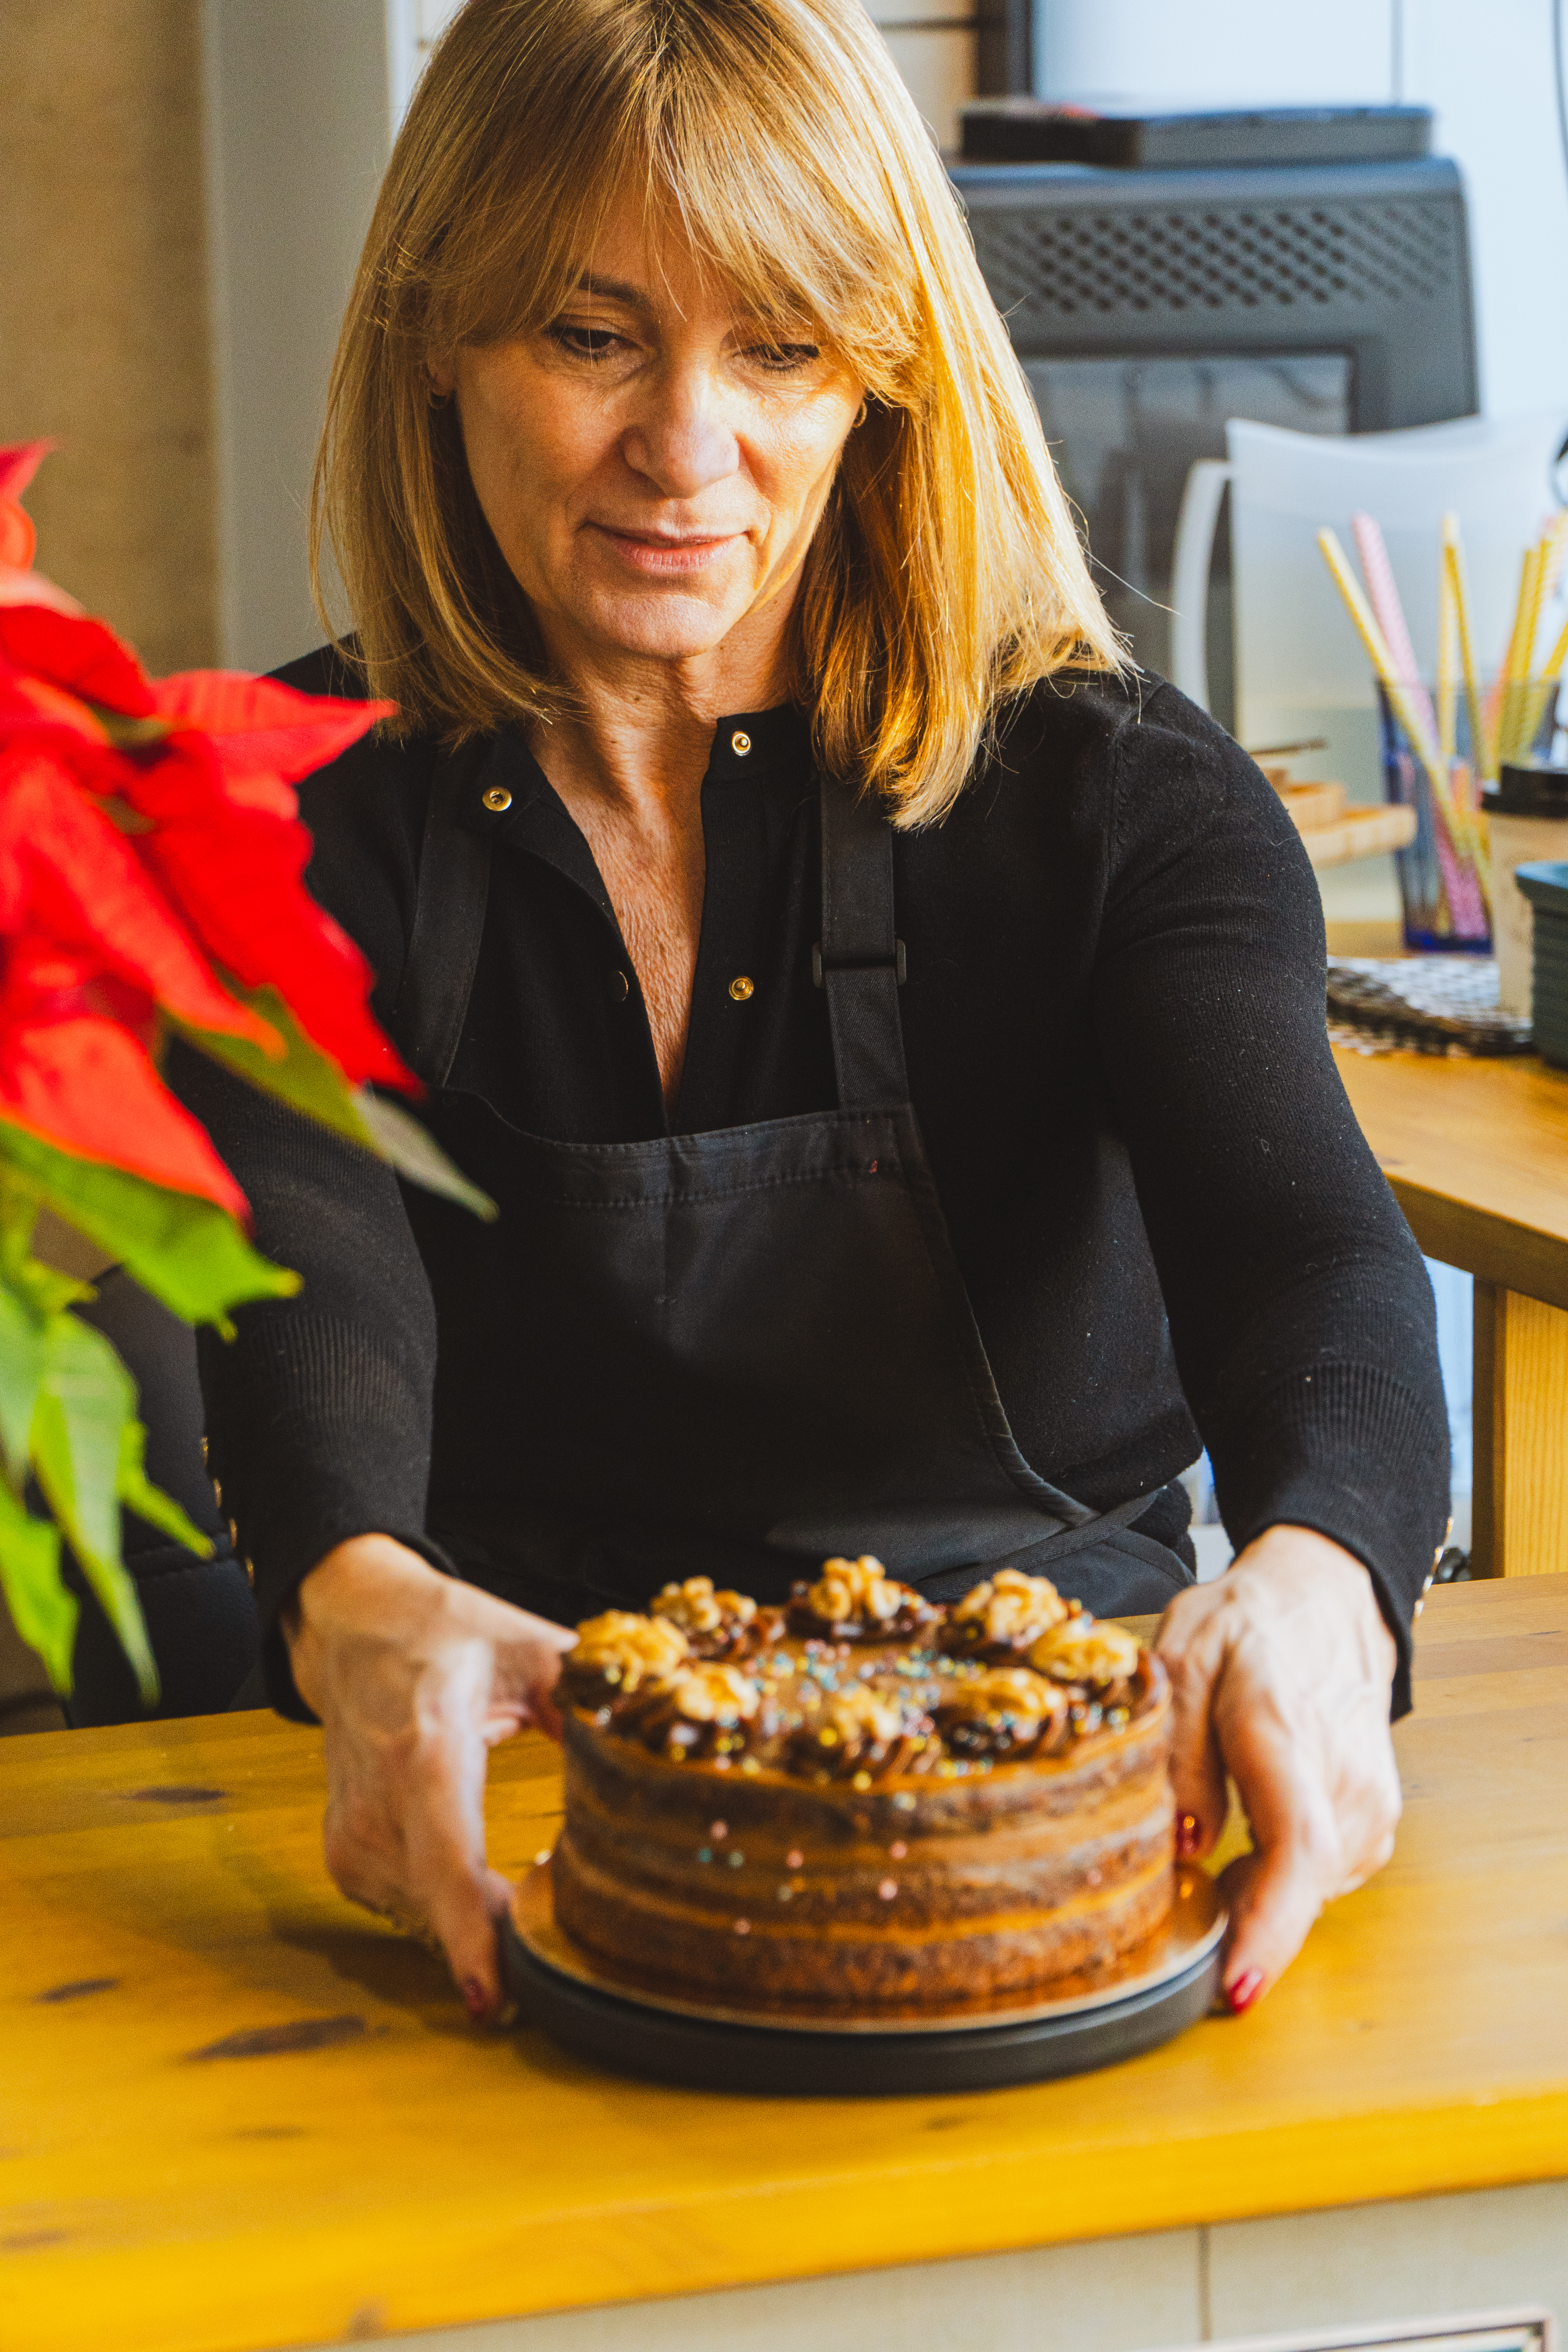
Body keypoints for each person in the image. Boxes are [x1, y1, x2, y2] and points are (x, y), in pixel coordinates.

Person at [176, 0, 1448, 2027]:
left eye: (778, 347)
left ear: (888, 378)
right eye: (592, 338)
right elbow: (307, 1309)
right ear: (436, 328)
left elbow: (1314, 1261)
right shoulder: (273, 820)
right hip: (514, 1824)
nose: (687, 448)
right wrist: (356, 1613)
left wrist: (1320, 1579)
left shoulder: (1125, 798)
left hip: (1084, 1800)